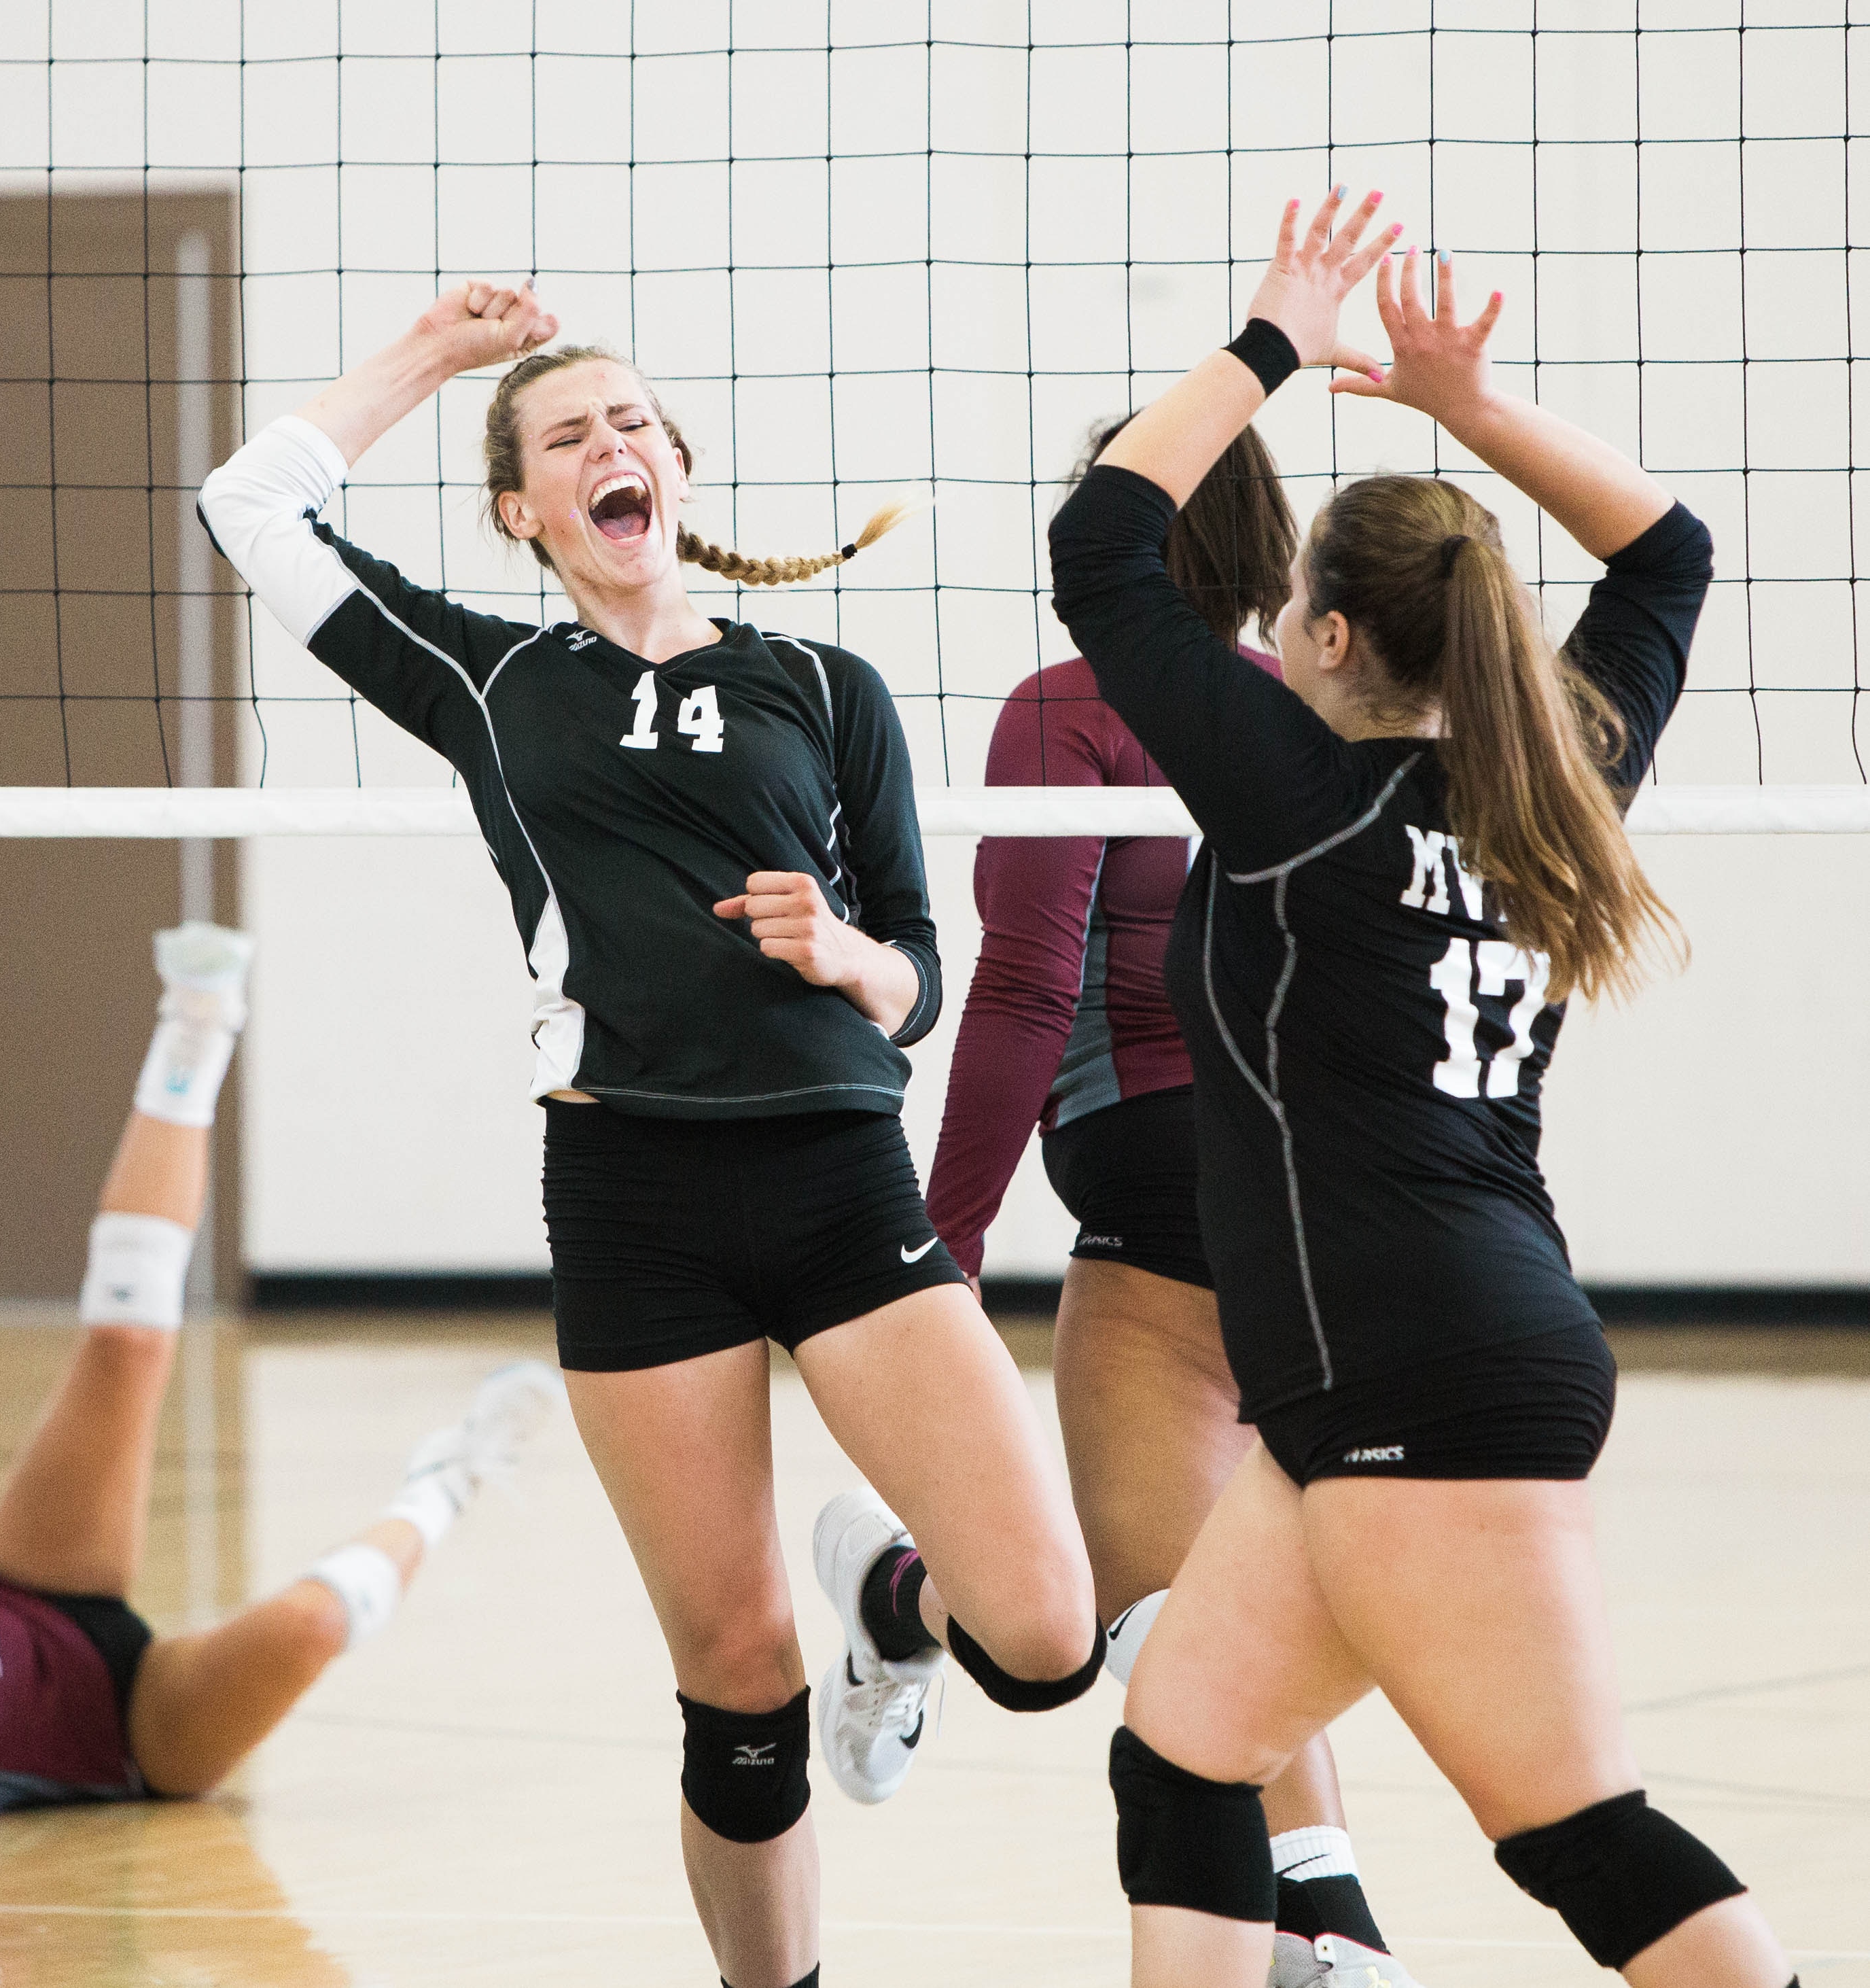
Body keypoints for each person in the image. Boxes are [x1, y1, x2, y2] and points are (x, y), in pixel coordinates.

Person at [198, 283, 1100, 1988]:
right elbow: (249, 503)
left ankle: (887, 1603)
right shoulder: (485, 677)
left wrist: (846, 956)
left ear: (675, 470)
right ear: (520, 511)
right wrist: (440, 358)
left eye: (629, 422)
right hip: (633, 1193)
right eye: (563, 436)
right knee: (736, 1672)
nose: (608, 445)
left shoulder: (827, 687)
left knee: (1047, 1637)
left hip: (837, 1174)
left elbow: (918, 980)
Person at [1051, 190, 1800, 1988]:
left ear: (1312, 638)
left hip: (1417, 1368)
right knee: (1181, 1757)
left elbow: (1101, 542)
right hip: (1400, 1360)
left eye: (1298, 599)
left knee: (1570, 1830)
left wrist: (1269, 344)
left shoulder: (1298, 803)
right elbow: (1668, 556)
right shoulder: (1557, 783)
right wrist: (1465, 412)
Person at [0, 923, 559, 1857]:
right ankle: (449, 1480)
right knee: (307, 1624)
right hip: (138, 1732)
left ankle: (198, 1023)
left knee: (126, 1342)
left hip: (34, 1590)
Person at [928, 425, 1422, 1988]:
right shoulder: (1326, 713)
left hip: (1157, 1195)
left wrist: (934, 1252)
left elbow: (1020, 987)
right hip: (1338, 1201)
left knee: (1146, 1623)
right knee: (1232, 1595)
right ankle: (1334, 1921)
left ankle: (893, 1596)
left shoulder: (1074, 703)